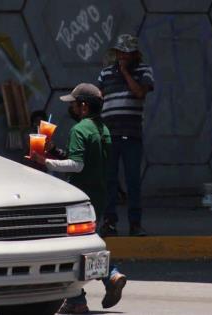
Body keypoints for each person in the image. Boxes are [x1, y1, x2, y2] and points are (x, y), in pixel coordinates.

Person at [28, 83, 126, 314]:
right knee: (86, 245)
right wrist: (55, 151)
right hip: (99, 194)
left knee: (69, 247)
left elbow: (77, 165)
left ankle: (79, 297)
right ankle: (106, 278)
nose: (70, 107)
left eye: (73, 103)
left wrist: (45, 162)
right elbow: (84, 160)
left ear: (83, 106)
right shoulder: (101, 129)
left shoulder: (80, 129)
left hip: (80, 198)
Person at [98, 34, 154, 237]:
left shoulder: (143, 71)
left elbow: (139, 93)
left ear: (134, 54)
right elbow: (100, 97)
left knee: (132, 180)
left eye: (126, 53)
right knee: (109, 180)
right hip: (109, 134)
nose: (122, 56)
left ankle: (135, 223)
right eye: (119, 52)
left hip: (131, 135)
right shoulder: (105, 74)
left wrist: (125, 73)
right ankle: (109, 222)